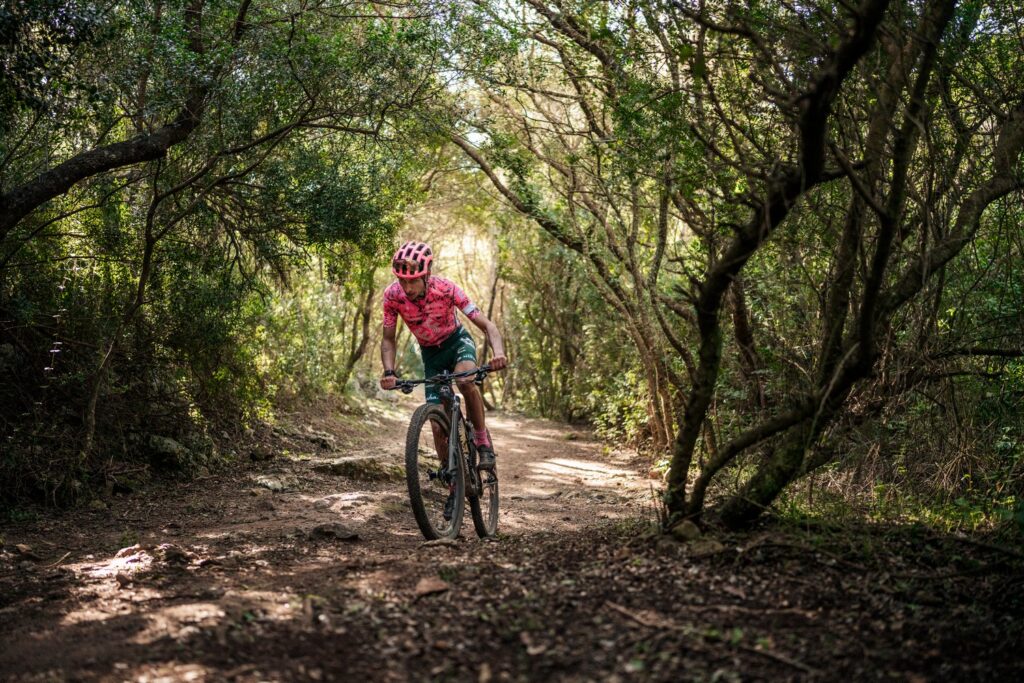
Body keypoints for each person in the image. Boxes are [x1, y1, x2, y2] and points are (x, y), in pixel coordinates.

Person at [379, 241, 507, 473]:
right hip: (430, 354)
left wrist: (498, 353)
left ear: (426, 275)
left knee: (465, 380)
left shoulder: (447, 289)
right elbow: (388, 338)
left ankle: (482, 442)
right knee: (438, 425)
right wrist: (389, 372)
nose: (407, 287)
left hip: (457, 342)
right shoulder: (392, 296)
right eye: (402, 280)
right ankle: (452, 483)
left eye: (413, 280)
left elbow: (486, 325)